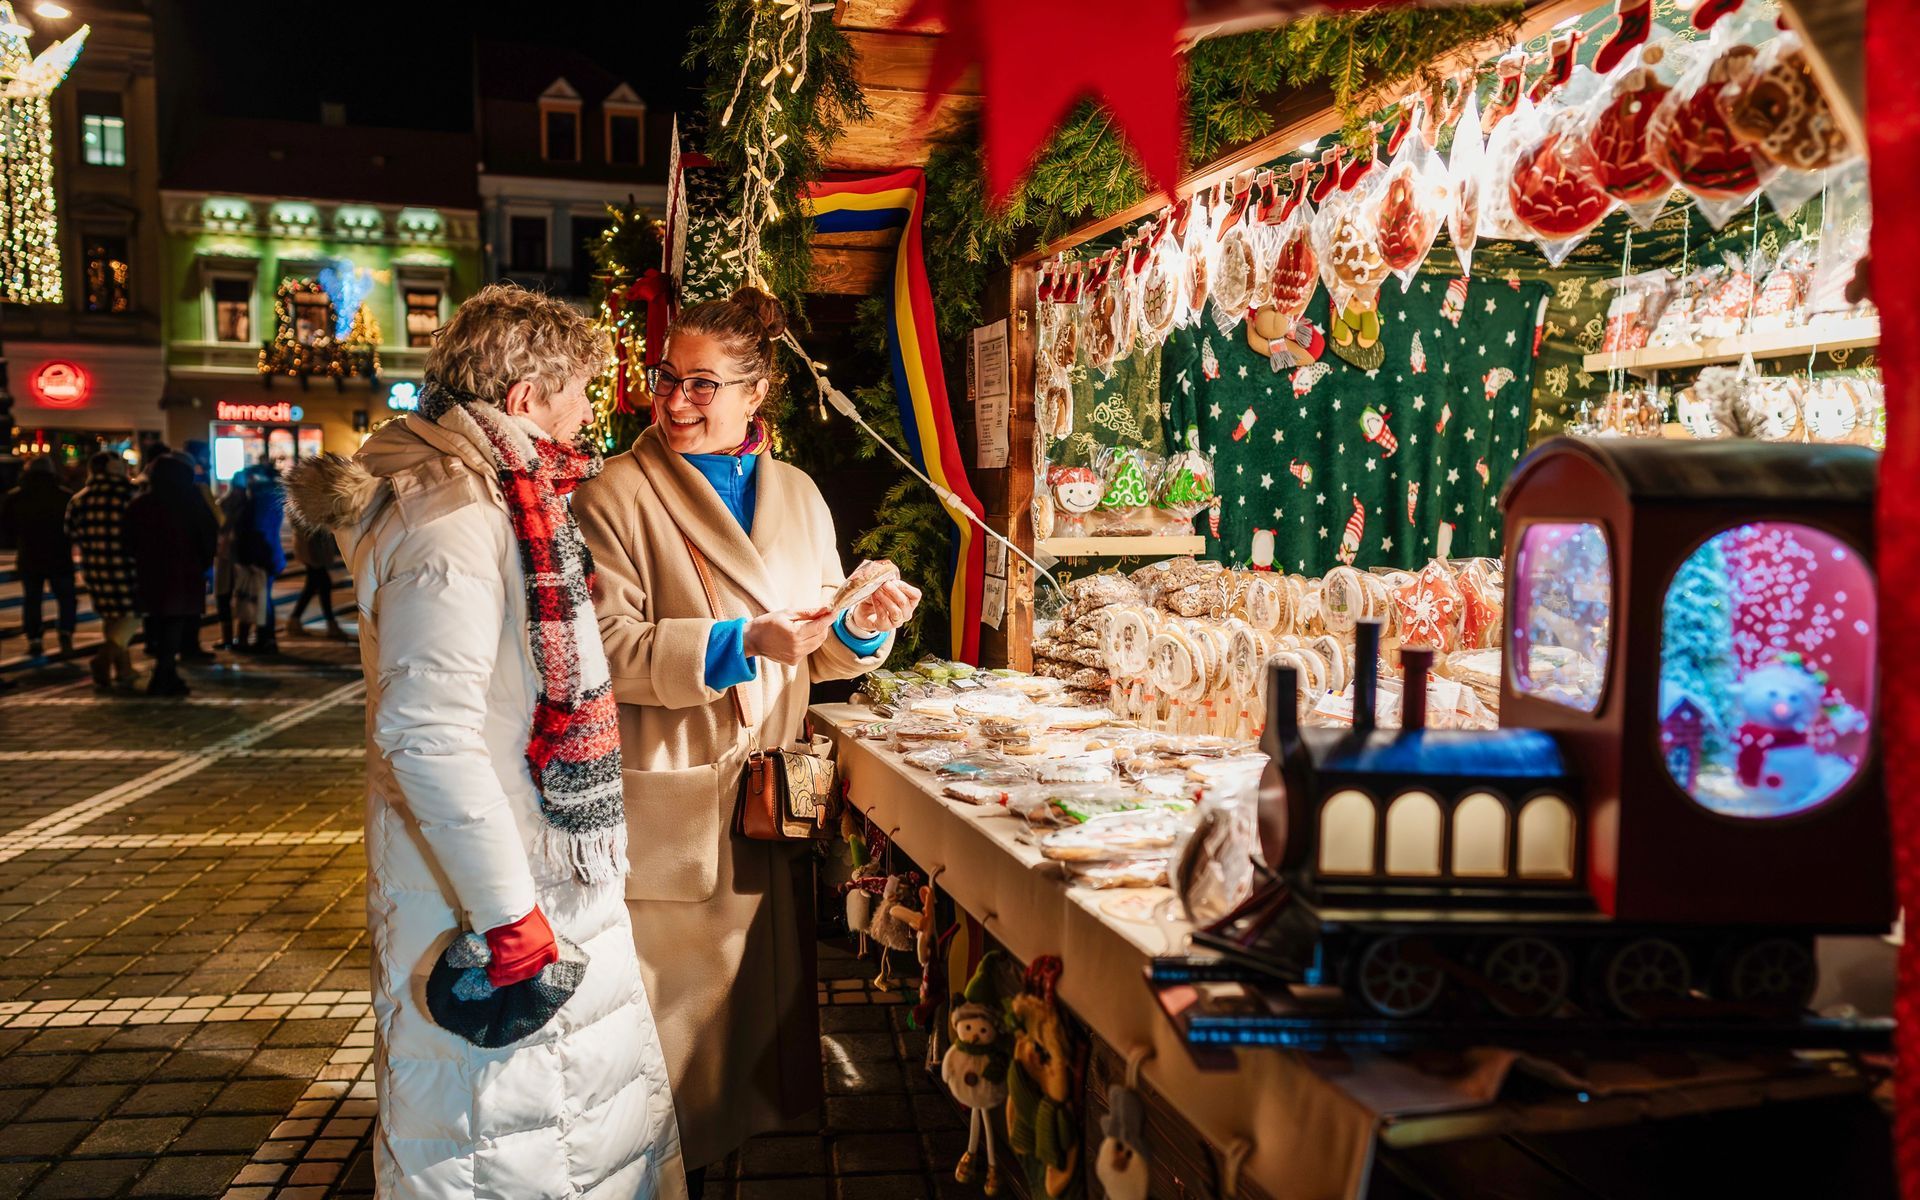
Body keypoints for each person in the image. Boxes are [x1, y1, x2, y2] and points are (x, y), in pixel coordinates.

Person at [284, 282, 684, 1200]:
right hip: (497, 888)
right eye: (579, 389)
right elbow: (426, 733)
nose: (592, 409)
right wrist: (509, 917)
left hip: (523, 863)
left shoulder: (498, 493)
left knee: (556, 1131)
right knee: (504, 1142)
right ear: (523, 400)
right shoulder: (462, 516)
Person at [574, 287, 921, 1185]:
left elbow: (819, 659)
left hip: (771, 795)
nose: (676, 401)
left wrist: (862, 628)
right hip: (675, 794)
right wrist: (740, 643)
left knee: (753, 1047)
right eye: (667, 380)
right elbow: (604, 653)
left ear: (753, 396)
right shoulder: (614, 493)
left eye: (701, 385)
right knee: (672, 1055)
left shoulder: (799, 493)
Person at [126, 454, 217, 696]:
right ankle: (163, 675)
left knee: (158, 623)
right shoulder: (191, 501)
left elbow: (128, 540)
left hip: (150, 573)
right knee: (174, 624)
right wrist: (204, 563)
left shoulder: (141, 504)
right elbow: (208, 535)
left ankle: (166, 673)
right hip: (183, 573)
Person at [65, 452, 142, 690]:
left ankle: (123, 669)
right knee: (132, 613)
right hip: (126, 565)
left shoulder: (79, 499)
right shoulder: (130, 495)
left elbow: (70, 532)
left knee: (111, 616)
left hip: (94, 566)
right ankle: (104, 659)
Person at [1, 456, 78, 661]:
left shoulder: (16, 497)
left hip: (29, 555)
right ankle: (66, 632)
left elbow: (7, 529)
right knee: (66, 598)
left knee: (32, 599)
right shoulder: (65, 497)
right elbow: (74, 528)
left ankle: (34, 638)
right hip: (59, 556)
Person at [234, 458, 286, 654]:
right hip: (268, 553)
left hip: (261, 556)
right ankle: (266, 638)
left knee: (262, 598)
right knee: (263, 597)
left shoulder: (260, 501)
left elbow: (256, 529)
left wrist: (250, 557)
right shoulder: (271, 497)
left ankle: (266, 639)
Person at [213, 474, 250, 649]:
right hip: (240, 557)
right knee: (241, 596)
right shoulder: (249, 505)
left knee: (225, 597)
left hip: (228, 556)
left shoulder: (223, 505)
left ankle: (230, 638)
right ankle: (240, 638)